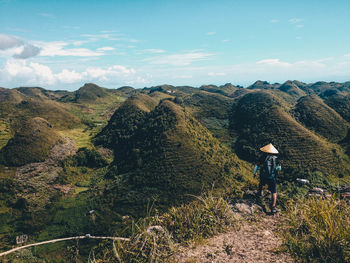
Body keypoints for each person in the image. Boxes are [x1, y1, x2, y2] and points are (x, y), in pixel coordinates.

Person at [253, 143, 281, 214]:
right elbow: (279, 168)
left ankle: (259, 194)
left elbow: (257, 165)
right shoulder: (276, 158)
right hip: (272, 176)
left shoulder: (262, 157)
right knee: (274, 192)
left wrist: (255, 173)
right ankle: (273, 207)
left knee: (261, 184)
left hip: (263, 175)